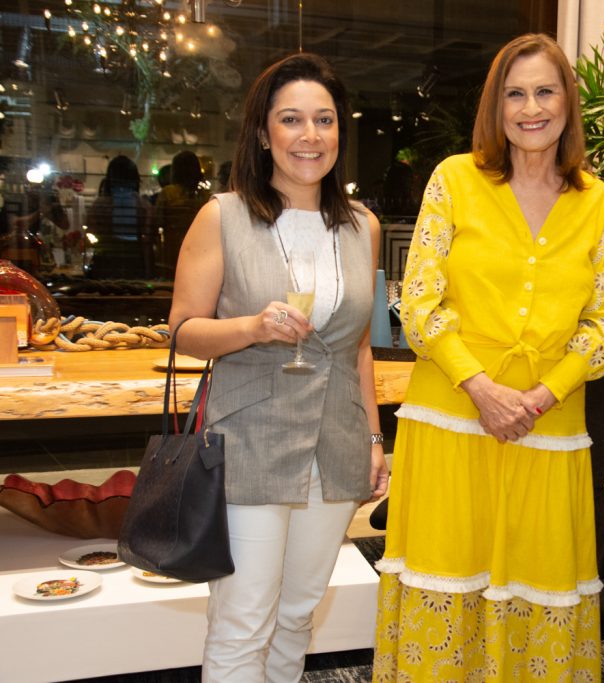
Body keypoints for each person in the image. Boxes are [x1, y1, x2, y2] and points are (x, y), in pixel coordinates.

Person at [372, 33, 604, 682]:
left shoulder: (595, 200)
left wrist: (544, 394)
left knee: (536, 587)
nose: (531, 108)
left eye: (545, 91)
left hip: (550, 427)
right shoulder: (455, 180)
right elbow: (419, 301)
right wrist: (481, 387)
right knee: (449, 579)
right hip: (452, 419)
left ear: (568, 103)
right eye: (515, 94)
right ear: (496, 106)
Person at [167, 52, 389, 682]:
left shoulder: (363, 226)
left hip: (336, 444)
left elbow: (358, 348)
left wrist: (374, 439)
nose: (309, 135)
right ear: (264, 133)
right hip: (251, 442)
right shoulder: (224, 216)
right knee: (243, 621)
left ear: (340, 132)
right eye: (291, 119)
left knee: (297, 614)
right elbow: (183, 331)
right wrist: (253, 327)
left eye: (324, 119)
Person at [85, 155, 153, 279]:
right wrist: (148, 273)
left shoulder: (99, 205)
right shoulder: (143, 206)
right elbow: (146, 242)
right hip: (134, 266)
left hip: (105, 265)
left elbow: (91, 236)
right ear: (135, 179)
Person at [155, 150, 211, 276]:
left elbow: (158, 221)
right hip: (199, 250)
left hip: (172, 249)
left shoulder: (167, 193)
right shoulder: (204, 196)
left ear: (175, 171)